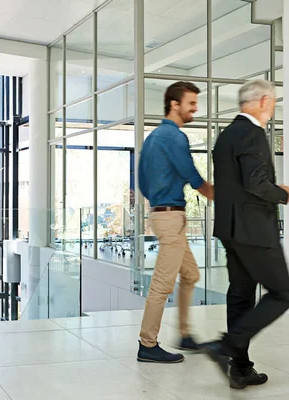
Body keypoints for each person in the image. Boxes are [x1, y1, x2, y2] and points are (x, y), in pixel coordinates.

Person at [204, 79, 289, 389]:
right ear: (264, 101)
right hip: (254, 229)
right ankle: (227, 345)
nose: (274, 106)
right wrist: (285, 195)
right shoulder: (253, 134)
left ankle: (239, 368)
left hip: (229, 228)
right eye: (274, 101)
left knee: (240, 295)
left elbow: (234, 184)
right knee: (283, 292)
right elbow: (256, 183)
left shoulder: (226, 136)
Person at [137, 81, 215, 363]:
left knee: (191, 274)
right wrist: (225, 196)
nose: (195, 108)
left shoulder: (153, 137)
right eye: (191, 103)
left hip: (164, 214)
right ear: (174, 104)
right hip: (170, 218)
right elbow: (195, 178)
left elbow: (142, 182)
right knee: (162, 283)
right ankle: (147, 344)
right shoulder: (174, 137)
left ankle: (183, 333)